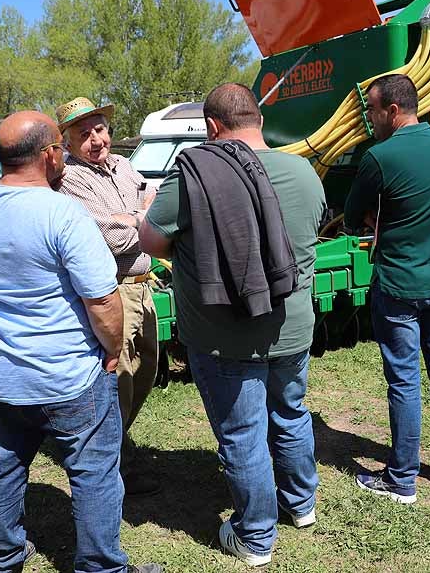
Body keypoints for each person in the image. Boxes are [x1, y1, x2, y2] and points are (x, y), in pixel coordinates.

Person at [0, 110, 160, 573]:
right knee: (94, 474)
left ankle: (2, 558)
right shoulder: (63, 213)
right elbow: (103, 301)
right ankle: (101, 566)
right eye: (62, 147)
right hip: (70, 378)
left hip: (4, 376)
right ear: (49, 154)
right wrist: (111, 350)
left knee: (2, 467)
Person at [139, 83, 326, 566]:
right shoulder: (305, 172)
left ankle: (255, 536)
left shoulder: (195, 174)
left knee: (243, 433)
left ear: (212, 128)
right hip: (292, 326)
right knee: (290, 413)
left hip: (225, 335)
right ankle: (301, 504)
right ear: (259, 122)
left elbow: (151, 241)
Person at [344, 73, 430, 504]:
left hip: (398, 286)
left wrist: (376, 224)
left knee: (403, 379)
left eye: (373, 111)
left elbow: (350, 214)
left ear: (393, 111)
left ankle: (402, 480)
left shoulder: (379, 157)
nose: (370, 119)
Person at [53, 97, 161, 497]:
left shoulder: (123, 165)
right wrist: (141, 219)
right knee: (118, 381)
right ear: (67, 143)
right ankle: (112, 469)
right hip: (112, 291)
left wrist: (137, 216)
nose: (95, 140)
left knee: (144, 373)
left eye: (99, 130)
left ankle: (116, 454)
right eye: (83, 135)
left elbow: (155, 197)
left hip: (143, 287)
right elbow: (110, 238)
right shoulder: (69, 180)